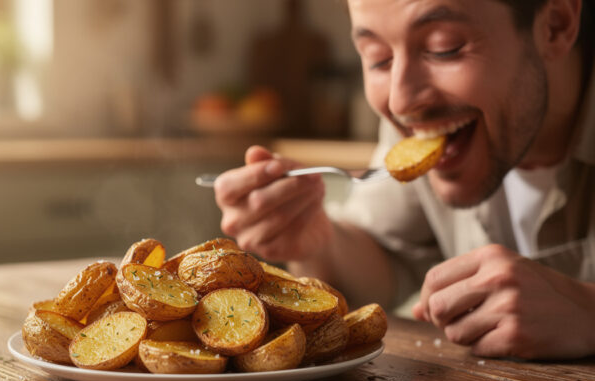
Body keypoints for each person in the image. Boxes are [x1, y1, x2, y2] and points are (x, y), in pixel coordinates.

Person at [212, 0, 595, 360]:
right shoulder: (428, 128)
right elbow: (383, 260)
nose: (400, 101)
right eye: (379, 59)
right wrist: (315, 240)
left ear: (556, 25)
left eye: (444, 48)